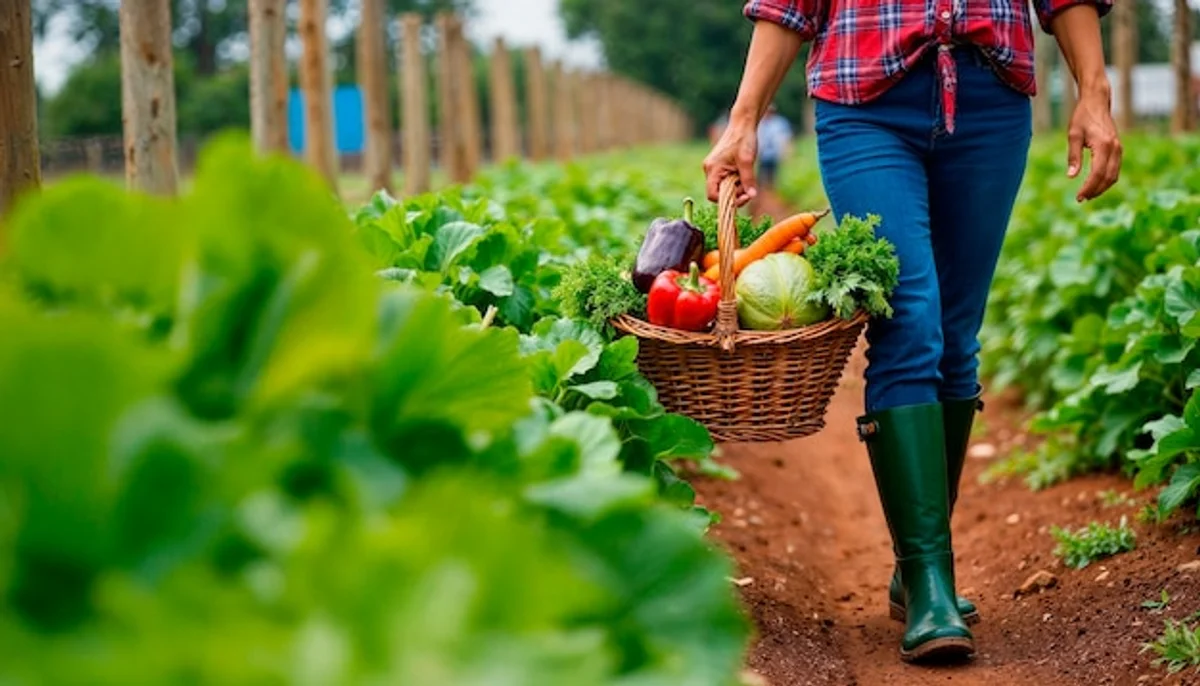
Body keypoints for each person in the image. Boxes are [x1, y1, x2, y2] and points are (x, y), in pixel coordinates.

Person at [703, 0, 1120, 665]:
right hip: (864, 97)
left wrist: (1094, 94)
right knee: (909, 321)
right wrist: (745, 117)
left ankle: (916, 568)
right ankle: (931, 578)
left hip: (991, 97)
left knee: (957, 339)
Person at [755, 103, 793, 193]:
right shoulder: (759, 123)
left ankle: (771, 194)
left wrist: (787, 153)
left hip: (774, 155)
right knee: (761, 177)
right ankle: (763, 195)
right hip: (762, 155)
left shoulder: (780, 123)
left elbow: (786, 139)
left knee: (773, 176)